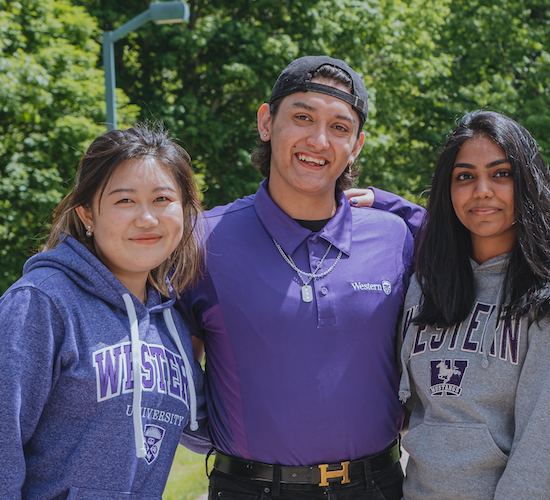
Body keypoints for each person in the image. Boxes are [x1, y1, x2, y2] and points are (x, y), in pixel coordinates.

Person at [177, 55, 415, 499]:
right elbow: (171, 361)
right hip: (251, 488)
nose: (318, 140)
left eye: (340, 127)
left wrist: (404, 208)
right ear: (267, 122)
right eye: (302, 117)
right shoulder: (202, 240)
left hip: (376, 486)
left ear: (357, 145)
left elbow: (475, 242)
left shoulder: (394, 239)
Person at [0, 124, 208, 499]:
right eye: (124, 201)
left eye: (162, 199)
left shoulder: (170, 323)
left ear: (184, 211)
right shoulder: (40, 304)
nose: (147, 219)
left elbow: (215, 430)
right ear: (88, 214)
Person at [397, 110, 550, 500]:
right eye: (465, 176)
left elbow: (547, 438)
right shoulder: (425, 284)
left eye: (501, 173)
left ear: (528, 183)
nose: (482, 190)